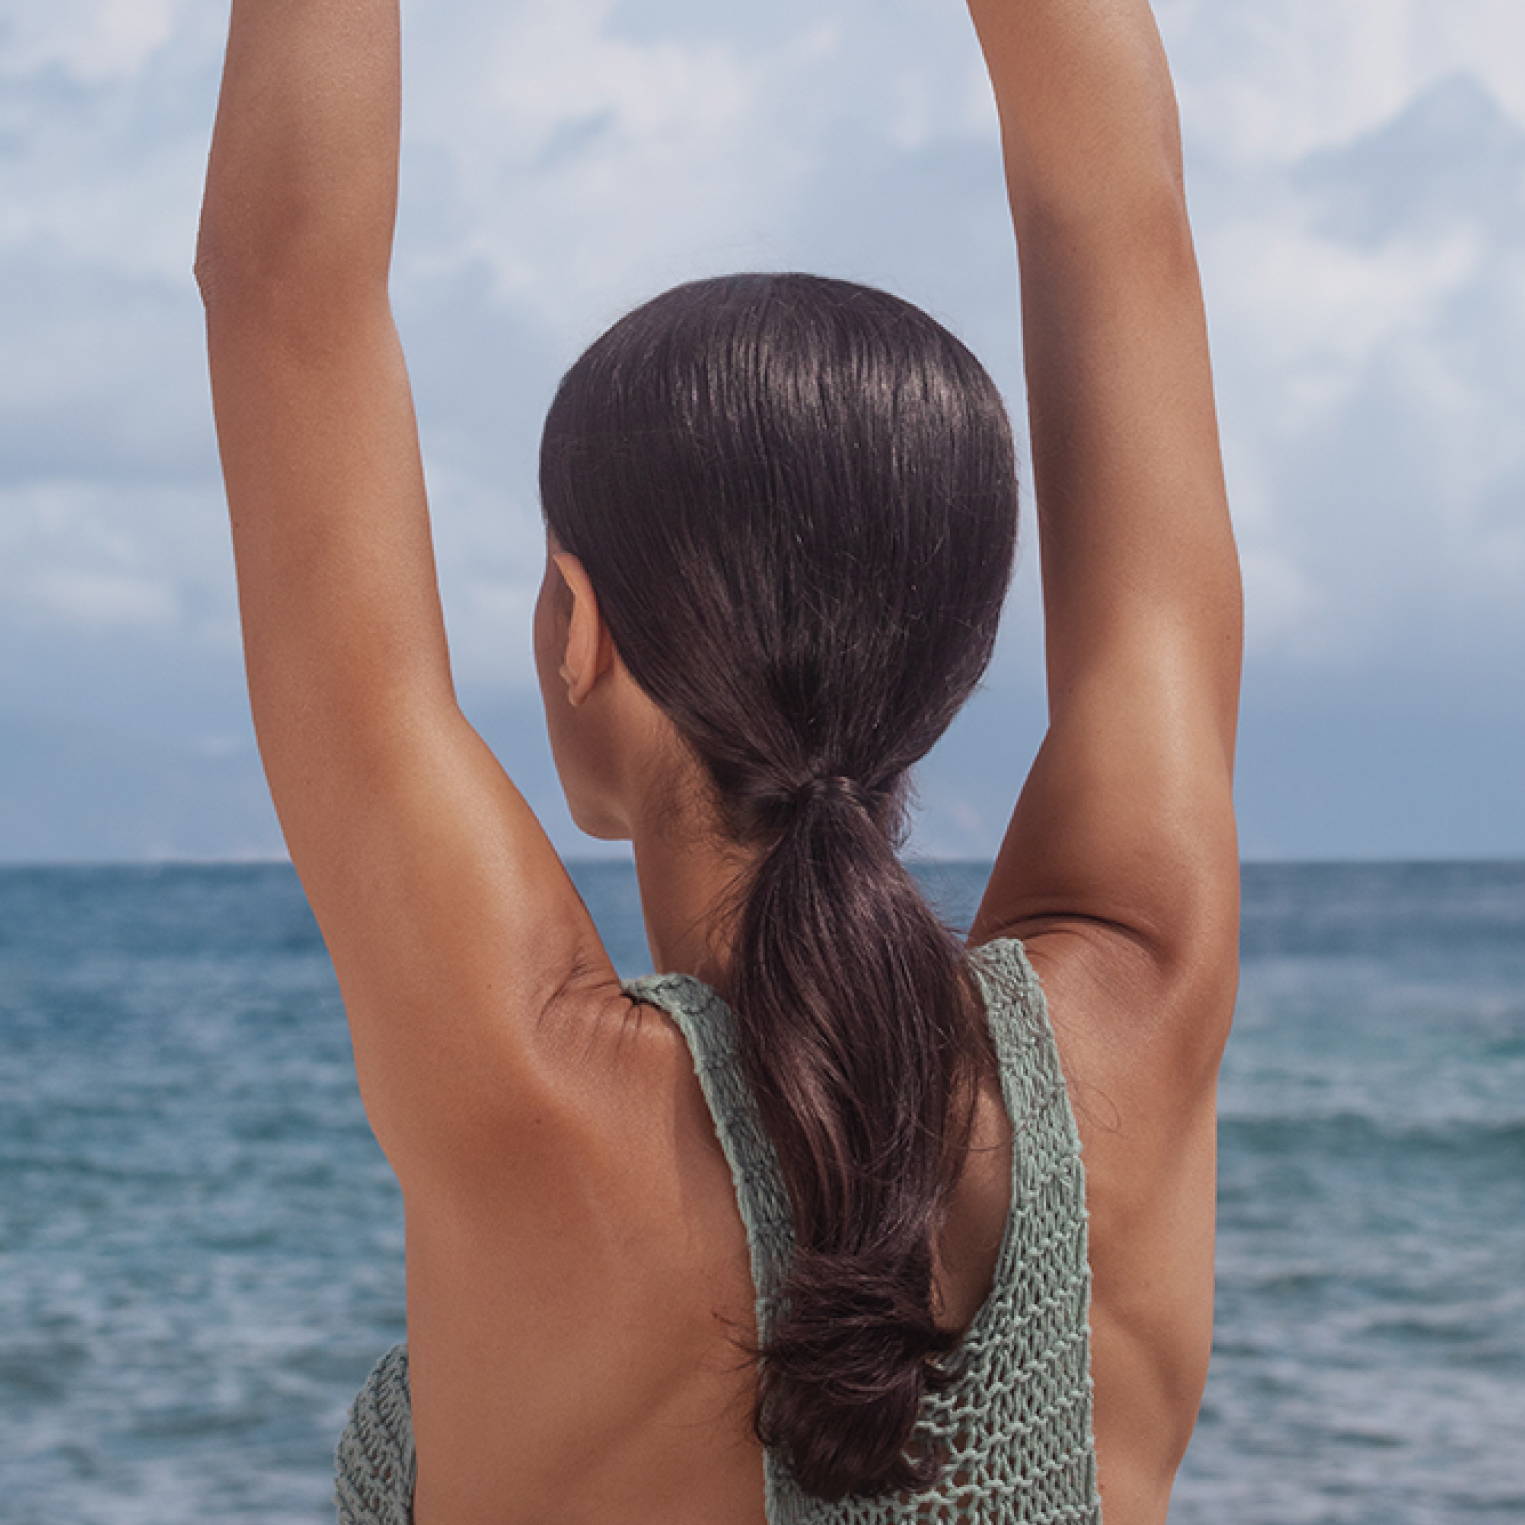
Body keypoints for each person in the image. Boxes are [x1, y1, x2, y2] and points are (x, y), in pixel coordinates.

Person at [194, 0, 1242, 1519]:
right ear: (950, 645)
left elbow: (284, 295)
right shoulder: (1135, 1010)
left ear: (580, 627)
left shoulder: (535, 1090)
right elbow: (1120, 212)